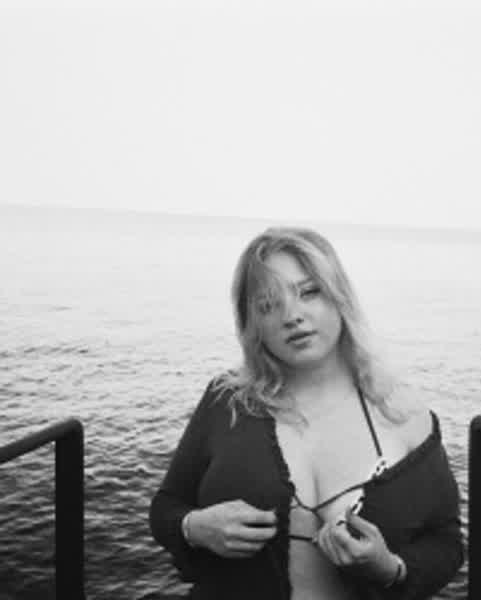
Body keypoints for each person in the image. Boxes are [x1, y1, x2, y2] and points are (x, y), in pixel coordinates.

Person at [149, 227, 464, 599]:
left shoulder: (402, 412)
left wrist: (389, 568)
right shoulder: (227, 401)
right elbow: (165, 508)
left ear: (339, 296)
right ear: (252, 324)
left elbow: (446, 543)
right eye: (269, 304)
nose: (292, 316)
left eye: (309, 292)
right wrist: (194, 527)